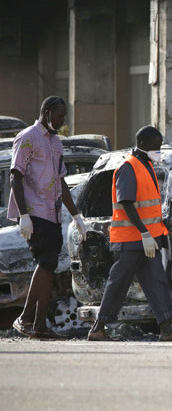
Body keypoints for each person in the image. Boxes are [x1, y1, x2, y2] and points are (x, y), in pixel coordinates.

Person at [88, 126, 172, 341]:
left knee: (157, 282)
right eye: (155, 146)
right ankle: (98, 328)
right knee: (118, 283)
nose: (158, 150)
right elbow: (126, 203)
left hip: (147, 240)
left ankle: (167, 329)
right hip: (132, 240)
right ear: (142, 145)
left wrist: (151, 235)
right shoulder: (128, 167)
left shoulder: (146, 165)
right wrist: (144, 233)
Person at [8, 96, 88, 339]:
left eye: (64, 116)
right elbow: (15, 176)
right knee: (45, 262)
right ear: (47, 113)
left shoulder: (55, 143)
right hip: (34, 212)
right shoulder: (28, 137)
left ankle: (39, 325)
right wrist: (23, 215)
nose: (62, 120)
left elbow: (61, 182)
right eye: (59, 116)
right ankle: (25, 319)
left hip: (52, 213)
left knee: (50, 266)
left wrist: (76, 215)